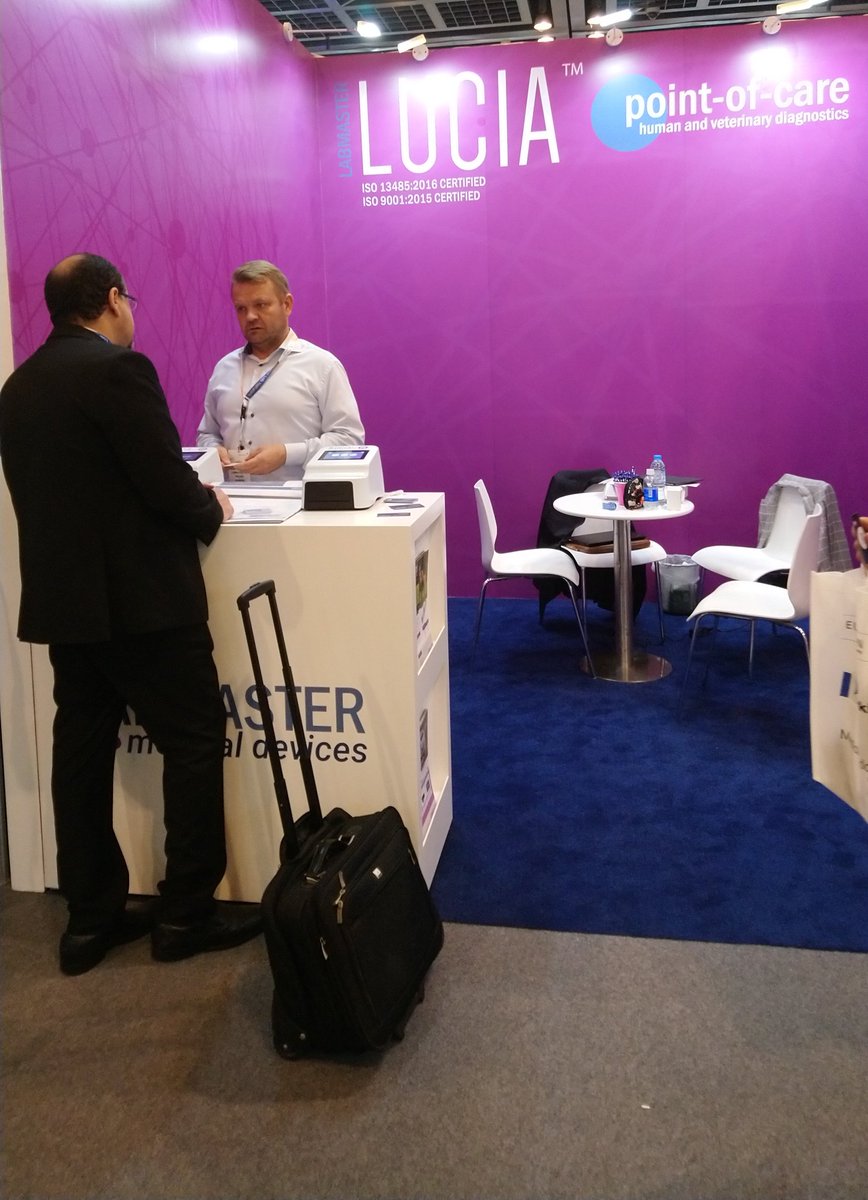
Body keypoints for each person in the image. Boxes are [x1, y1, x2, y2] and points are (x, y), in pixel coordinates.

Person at [0, 253, 262, 975]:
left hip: (65, 609)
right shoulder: (119, 370)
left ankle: (90, 921)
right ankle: (185, 914)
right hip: (146, 607)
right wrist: (209, 508)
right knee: (195, 740)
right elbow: (163, 480)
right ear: (114, 299)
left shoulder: (19, 386)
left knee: (81, 757)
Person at [197, 260, 364, 481]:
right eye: (241, 308)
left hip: (302, 499)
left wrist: (286, 454)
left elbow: (349, 440)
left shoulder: (322, 366)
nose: (250, 316)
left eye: (261, 305)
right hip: (232, 498)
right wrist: (213, 450)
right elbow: (207, 434)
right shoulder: (224, 368)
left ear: (287, 305)